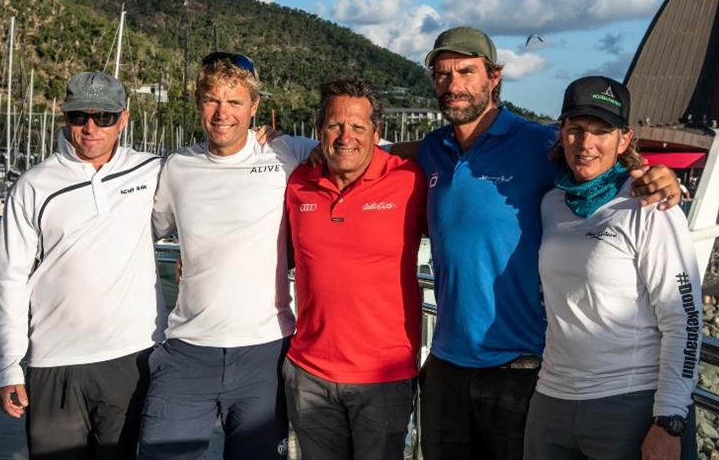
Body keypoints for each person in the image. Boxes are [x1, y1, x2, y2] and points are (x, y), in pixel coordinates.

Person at [411, 27, 683, 459]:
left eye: (466, 71)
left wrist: (658, 175)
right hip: (446, 364)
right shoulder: (432, 149)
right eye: (442, 74)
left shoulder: (538, 143)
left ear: (494, 77)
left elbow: (596, 162)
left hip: (520, 368)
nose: (454, 85)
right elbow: (371, 151)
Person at [138, 52, 316, 460]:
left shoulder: (285, 153)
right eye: (211, 100)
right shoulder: (178, 166)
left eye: (235, 102)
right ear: (199, 104)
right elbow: (142, 232)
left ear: (254, 108)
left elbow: (358, 150)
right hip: (186, 351)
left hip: (265, 352)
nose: (223, 113)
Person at [0, 71, 167, 459]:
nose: (91, 128)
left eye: (103, 117)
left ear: (123, 118)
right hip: (54, 363)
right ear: (65, 117)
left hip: (131, 359)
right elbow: (9, 280)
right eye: (79, 116)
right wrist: (8, 366)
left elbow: (212, 180)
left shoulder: (153, 170)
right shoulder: (32, 185)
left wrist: (266, 142)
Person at [525, 76, 701, 459]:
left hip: (628, 402)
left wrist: (670, 418)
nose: (586, 145)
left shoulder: (650, 204)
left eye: (601, 131)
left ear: (624, 139)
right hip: (552, 399)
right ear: (561, 133)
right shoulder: (551, 202)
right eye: (576, 130)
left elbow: (683, 317)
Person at [283, 75, 427, 460]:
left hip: (384, 376)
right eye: (335, 125)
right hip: (309, 373)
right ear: (318, 131)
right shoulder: (298, 183)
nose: (346, 136)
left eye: (358, 126)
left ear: (376, 132)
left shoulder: (409, 181)